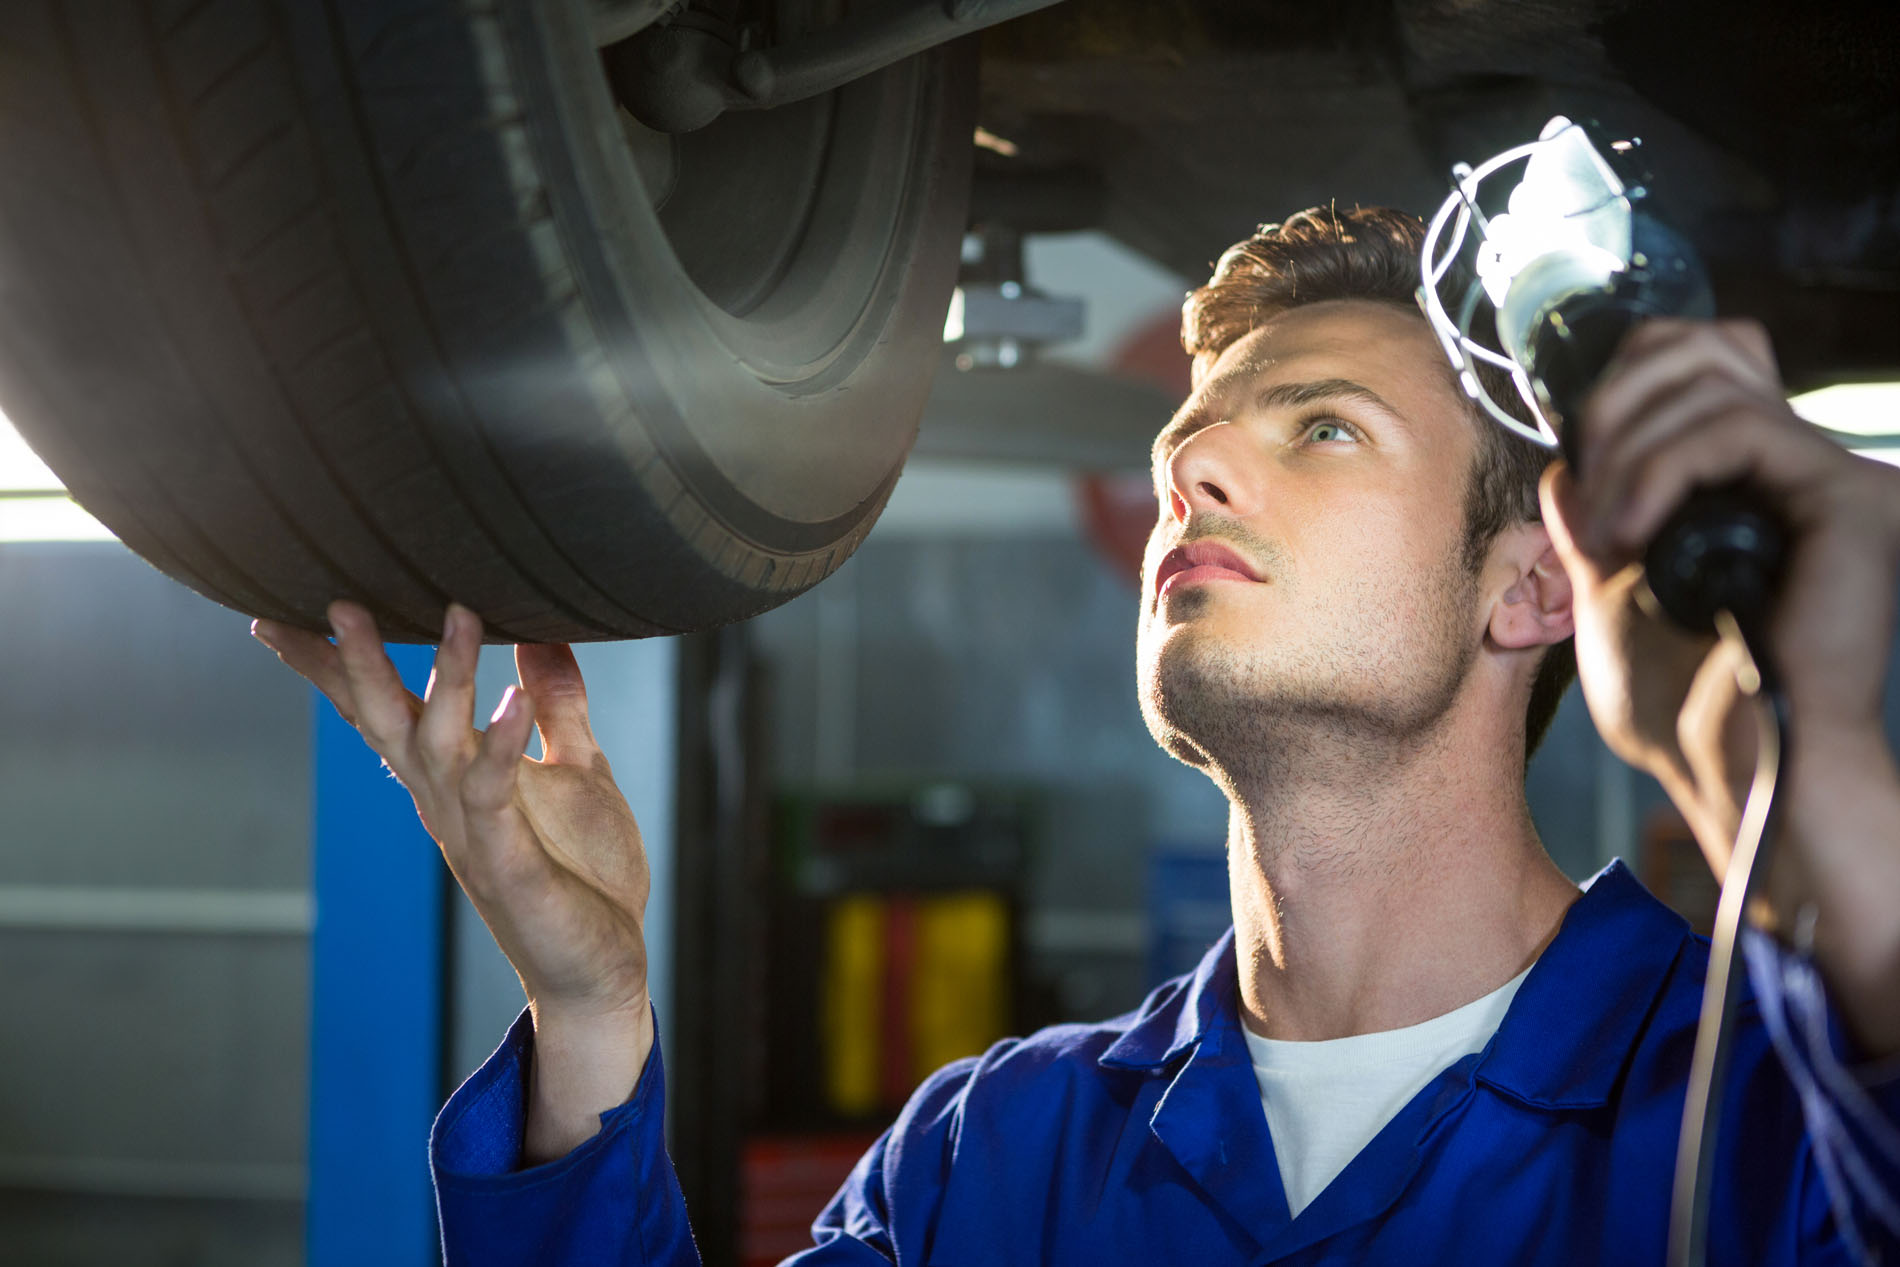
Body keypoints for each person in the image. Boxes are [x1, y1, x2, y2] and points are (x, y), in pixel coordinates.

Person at [253, 207, 1900, 1264]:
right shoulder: (996, 1156)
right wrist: (591, 1016)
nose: (1196, 473)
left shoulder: (1754, 1109)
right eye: (1194, 440)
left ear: (1535, 581)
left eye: (1322, 428)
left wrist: (1811, 775)